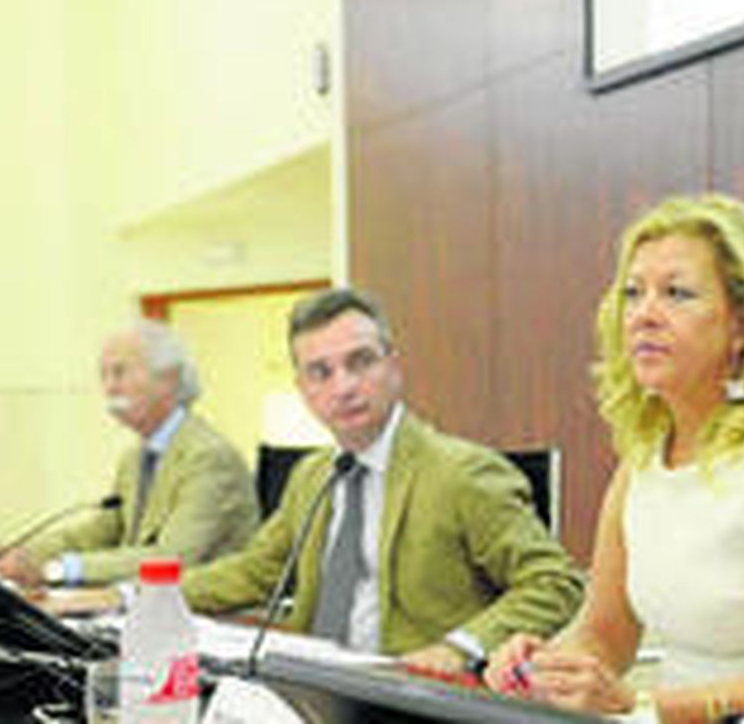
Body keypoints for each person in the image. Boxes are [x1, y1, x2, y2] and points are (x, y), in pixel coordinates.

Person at [485, 195, 744, 721]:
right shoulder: (643, 461)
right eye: (633, 294)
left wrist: (643, 707)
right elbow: (605, 633)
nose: (644, 316)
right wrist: (549, 669)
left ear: (743, 323)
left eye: (676, 294)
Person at [181, 288, 584, 672]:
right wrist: (146, 595)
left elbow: (554, 581)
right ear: (303, 389)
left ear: (392, 365)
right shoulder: (313, 476)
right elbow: (257, 572)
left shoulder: (461, 474)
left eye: (361, 362)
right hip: (311, 690)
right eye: (321, 372)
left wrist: (460, 647)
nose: (344, 387)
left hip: (405, 697)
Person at [0, 321, 258, 588]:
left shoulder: (209, 458)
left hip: (214, 622)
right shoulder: (135, 456)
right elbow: (100, 531)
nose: (110, 387)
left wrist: (57, 570)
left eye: (120, 372)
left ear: (168, 378)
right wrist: (18, 553)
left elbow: (173, 557)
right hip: (143, 608)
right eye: (104, 375)